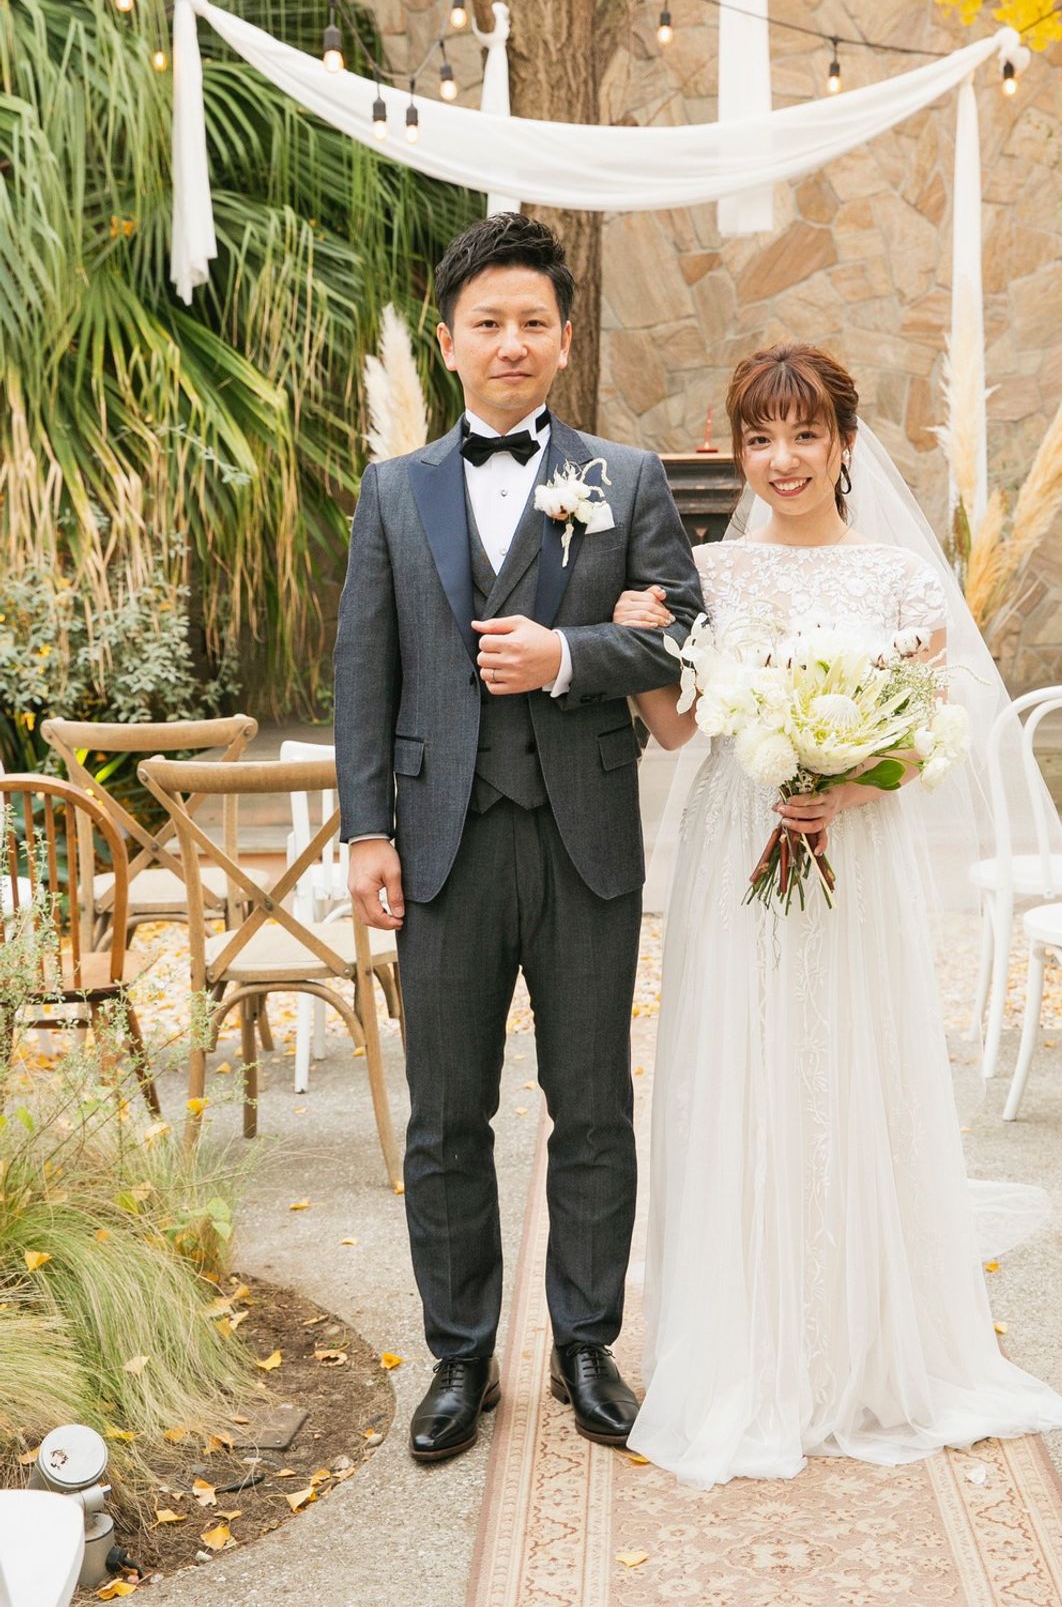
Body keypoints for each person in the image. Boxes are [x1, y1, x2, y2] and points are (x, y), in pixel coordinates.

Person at [616, 342, 1062, 1488]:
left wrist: (842, 786)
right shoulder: (710, 576)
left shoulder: (898, 580)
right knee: (742, 1067)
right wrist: (636, 642)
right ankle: (745, 1346)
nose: (782, 458)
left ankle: (859, 1346)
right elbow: (677, 730)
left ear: (843, 443)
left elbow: (927, 738)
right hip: (737, 848)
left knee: (846, 1070)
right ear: (739, 451)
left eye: (804, 434)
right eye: (759, 437)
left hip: (850, 858)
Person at [333, 214, 703, 1464]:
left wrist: (567, 655)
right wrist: (366, 830)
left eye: (531, 322)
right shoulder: (394, 491)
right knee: (447, 1114)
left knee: (591, 1103)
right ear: (447, 341)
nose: (510, 342)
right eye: (486, 322)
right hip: (439, 842)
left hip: (584, 834)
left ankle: (585, 1345)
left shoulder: (626, 479)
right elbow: (364, 669)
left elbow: (682, 638)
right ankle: (459, 1356)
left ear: (563, 339)